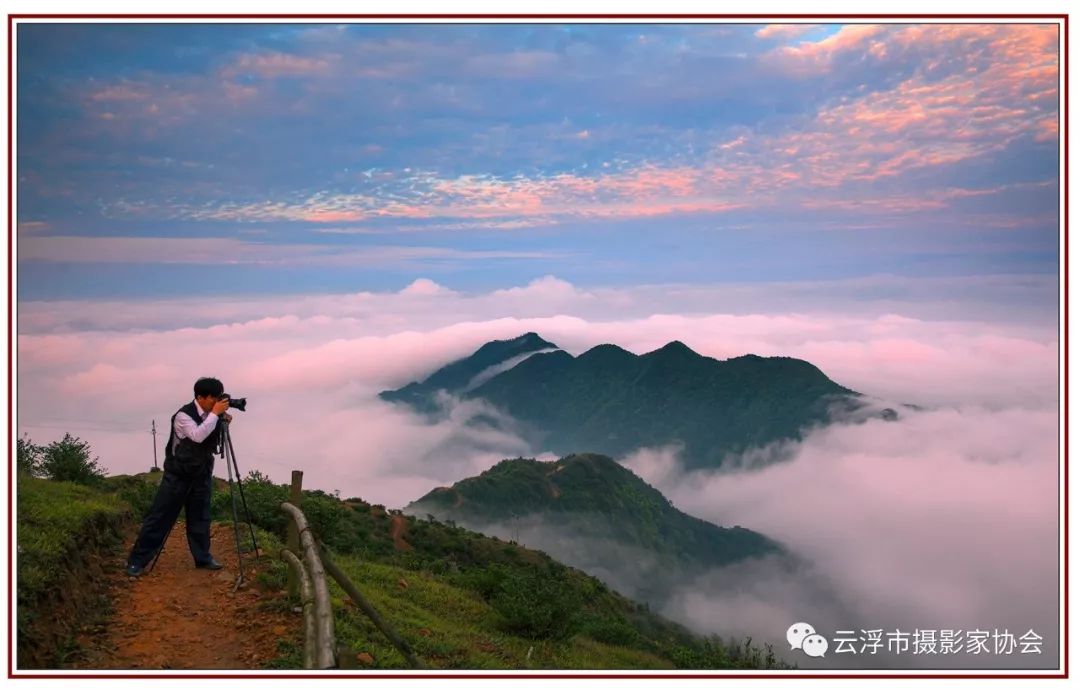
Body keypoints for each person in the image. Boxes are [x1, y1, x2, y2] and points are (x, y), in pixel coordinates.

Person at [126, 377, 233, 577]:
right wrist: (215, 415)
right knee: (160, 517)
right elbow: (197, 435)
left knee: (201, 517)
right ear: (200, 397)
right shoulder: (183, 416)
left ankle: (203, 557)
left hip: (201, 474)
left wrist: (221, 419)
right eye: (213, 399)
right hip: (178, 475)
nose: (215, 403)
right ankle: (137, 561)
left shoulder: (213, 415)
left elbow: (210, 441)